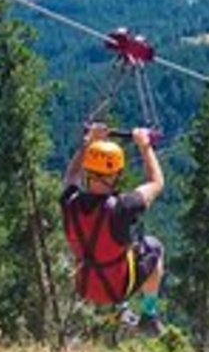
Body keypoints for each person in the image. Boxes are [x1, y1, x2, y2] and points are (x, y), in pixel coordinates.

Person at [61, 123, 166, 333]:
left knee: (107, 247)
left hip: (85, 285)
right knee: (154, 247)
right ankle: (149, 314)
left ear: (87, 171)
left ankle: (122, 309)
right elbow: (156, 182)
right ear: (116, 174)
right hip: (117, 287)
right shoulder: (123, 207)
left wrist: (87, 144)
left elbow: (71, 176)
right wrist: (145, 147)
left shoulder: (69, 202)